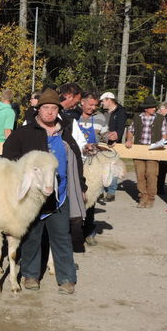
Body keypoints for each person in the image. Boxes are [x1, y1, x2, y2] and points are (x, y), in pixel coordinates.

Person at [3, 88, 87, 295]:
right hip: (33, 197)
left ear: (58, 110)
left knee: (62, 235)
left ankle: (66, 277)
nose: (49, 112)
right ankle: (31, 275)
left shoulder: (65, 133)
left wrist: (82, 186)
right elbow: (8, 158)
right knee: (32, 235)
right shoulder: (23, 134)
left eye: (53, 108)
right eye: (45, 108)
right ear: (38, 110)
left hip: (60, 194)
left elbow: (76, 162)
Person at [124, 96, 167, 208]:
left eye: (155, 106)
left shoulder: (160, 118)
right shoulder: (137, 117)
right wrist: (129, 140)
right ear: (146, 108)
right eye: (152, 107)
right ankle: (143, 197)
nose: (155, 108)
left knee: (151, 174)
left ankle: (151, 198)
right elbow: (130, 130)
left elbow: (165, 132)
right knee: (140, 175)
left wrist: (163, 141)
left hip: (153, 150)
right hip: (139, 149)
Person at [76, 92, 107, 245]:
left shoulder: (100, 118)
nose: (93, 108)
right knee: (75, 196)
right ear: (82, 102)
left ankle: (89, 231)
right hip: (75, 161)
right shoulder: (73, 116)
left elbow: (105, 135)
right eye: (91, 105)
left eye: (96, 105)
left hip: (93, 163)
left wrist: (111, 136)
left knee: (91, 197)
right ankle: (73, 231)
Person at [100, 91, 127, 201]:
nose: (102, 103)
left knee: (113, 168)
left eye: (103, 101)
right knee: (101, 167)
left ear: (108, 100)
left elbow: (120, 128)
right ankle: (100, 191)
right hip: (102, 142)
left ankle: (111, 192)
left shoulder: (120, 112)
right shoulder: (103, 112)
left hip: (114, 144)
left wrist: (117, 138)